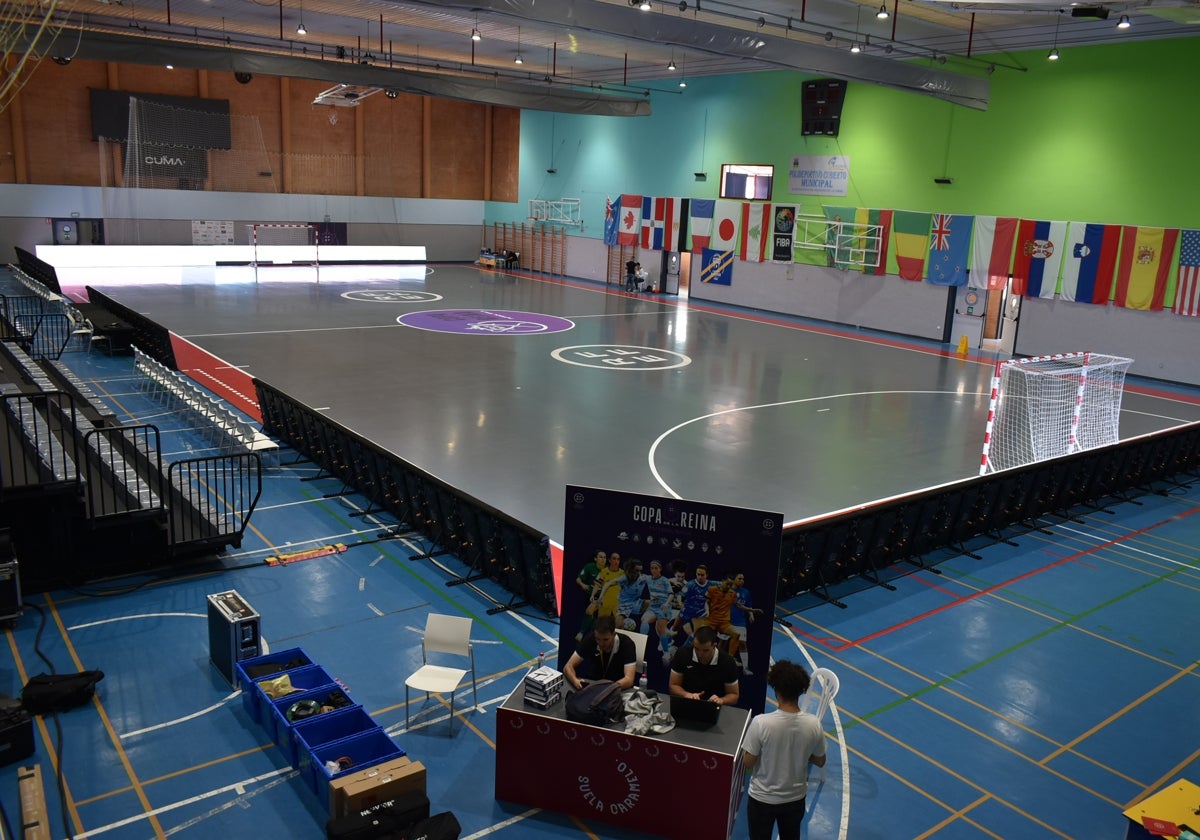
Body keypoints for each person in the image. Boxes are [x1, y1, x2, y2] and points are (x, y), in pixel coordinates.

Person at [742, 660, 827, 840]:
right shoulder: (813, 724)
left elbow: (748, 762)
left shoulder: (761, 722)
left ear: (776, 690)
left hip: (762, 799)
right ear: (801, 691)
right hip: (795, 799)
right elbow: (820, 760)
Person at [668, 625, 739, 706]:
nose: (700, 654)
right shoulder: (682, 654)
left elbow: (734, 695)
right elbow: (673, 685)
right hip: (686, 704)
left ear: (714, 645)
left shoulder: (727, 662)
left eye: (705, 650)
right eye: (697, 649)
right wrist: (687, 695)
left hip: (715, 709)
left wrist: (721, 700)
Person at [563, 615, 637, 691]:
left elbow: (629, 679)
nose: (601, 644)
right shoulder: (591, 639)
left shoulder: (627, 644)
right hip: (594, 686)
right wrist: (575, 681)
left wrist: (609, 689)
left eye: (605, 639)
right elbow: (568, 667)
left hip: (617, 688)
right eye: (598, 639)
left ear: (613, 635)